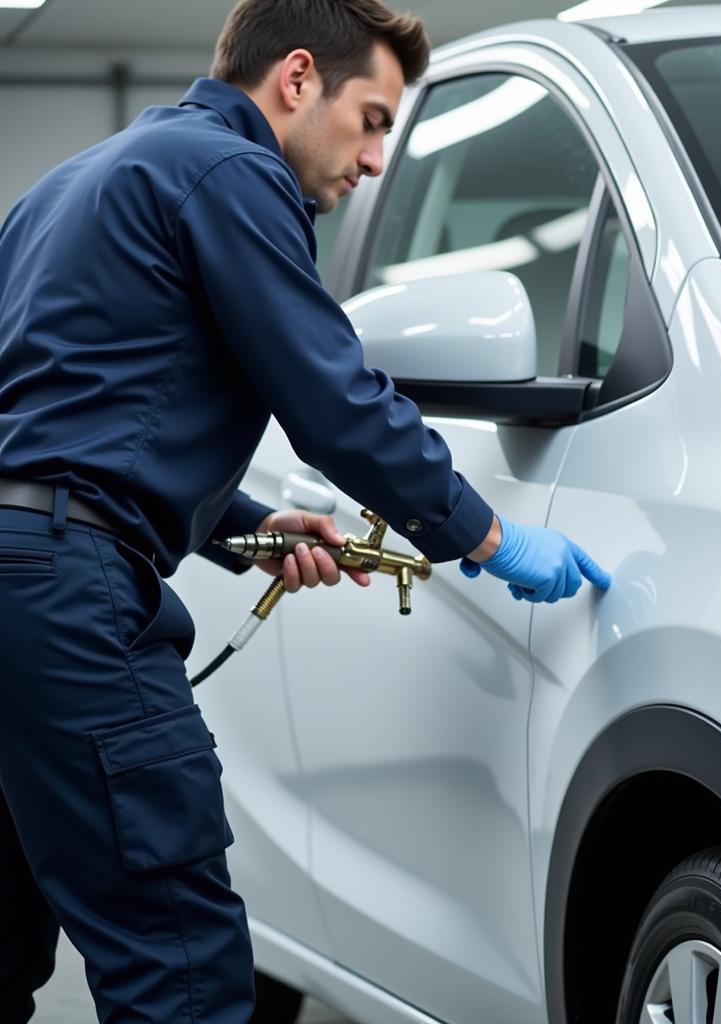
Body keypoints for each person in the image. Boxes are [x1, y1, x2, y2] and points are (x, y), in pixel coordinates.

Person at [0, 0, 611, 1021]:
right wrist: (489, 538)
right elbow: (335, 404)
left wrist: (242, 528)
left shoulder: (74, 185)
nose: (375, 159)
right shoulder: (234, 173)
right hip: (67, 605)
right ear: (295, 80)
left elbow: (71, 418)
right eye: (372, 119)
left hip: (22, 582)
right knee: (179, 961)